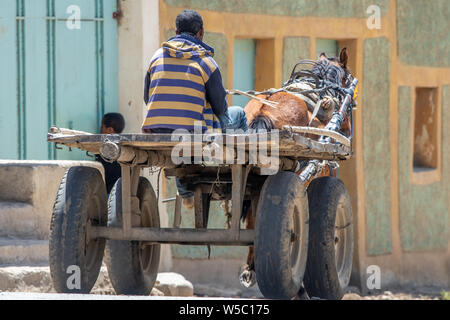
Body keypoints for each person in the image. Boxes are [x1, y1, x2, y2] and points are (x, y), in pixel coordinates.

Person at [142, 10, 248, 209]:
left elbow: (147, 98)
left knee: (179, 140)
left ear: (176, 31)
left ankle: (185, 193)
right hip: (192, 133)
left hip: (156, 130)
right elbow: (220, 107)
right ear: (201, 33)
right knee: (239, 113)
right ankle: (241, 175)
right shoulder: (206, 62)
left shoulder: (156, 57)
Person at [96, 113, 125, 194]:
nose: (100, 130)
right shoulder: (125, 147)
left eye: (102, 127)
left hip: (109, 191)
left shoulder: (105, 149)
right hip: (122, 189)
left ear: (110, 130)